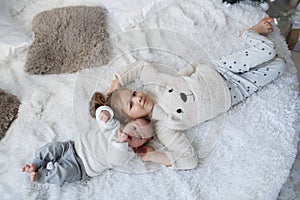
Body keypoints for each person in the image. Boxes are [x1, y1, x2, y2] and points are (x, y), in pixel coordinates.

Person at [92, 16, 286, 169]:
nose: (138, 97)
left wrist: (117, 83)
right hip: (234, 92)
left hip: (219, 70)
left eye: (134, 93)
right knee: (280, 65)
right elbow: (189, 160)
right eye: (132, 104)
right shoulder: (165, 128)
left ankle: (249, 33)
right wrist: (153, 156)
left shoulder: (153, 86)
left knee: (268, 51)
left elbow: (141, 67)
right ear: (130, 119)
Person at [22, 105, 154, 185]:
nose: (136, 134)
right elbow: (102, 119)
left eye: (141, 137)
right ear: (127, 123)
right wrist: (105, 113)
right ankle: (37, 163)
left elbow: (115, 160)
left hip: (82, 167)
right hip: (73, 146)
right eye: (135, 127)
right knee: (52, 148)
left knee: (63, 173)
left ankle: (41, 176)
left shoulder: (127, 152)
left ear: (139, 146)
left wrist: (121, 143)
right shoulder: (114, 126)